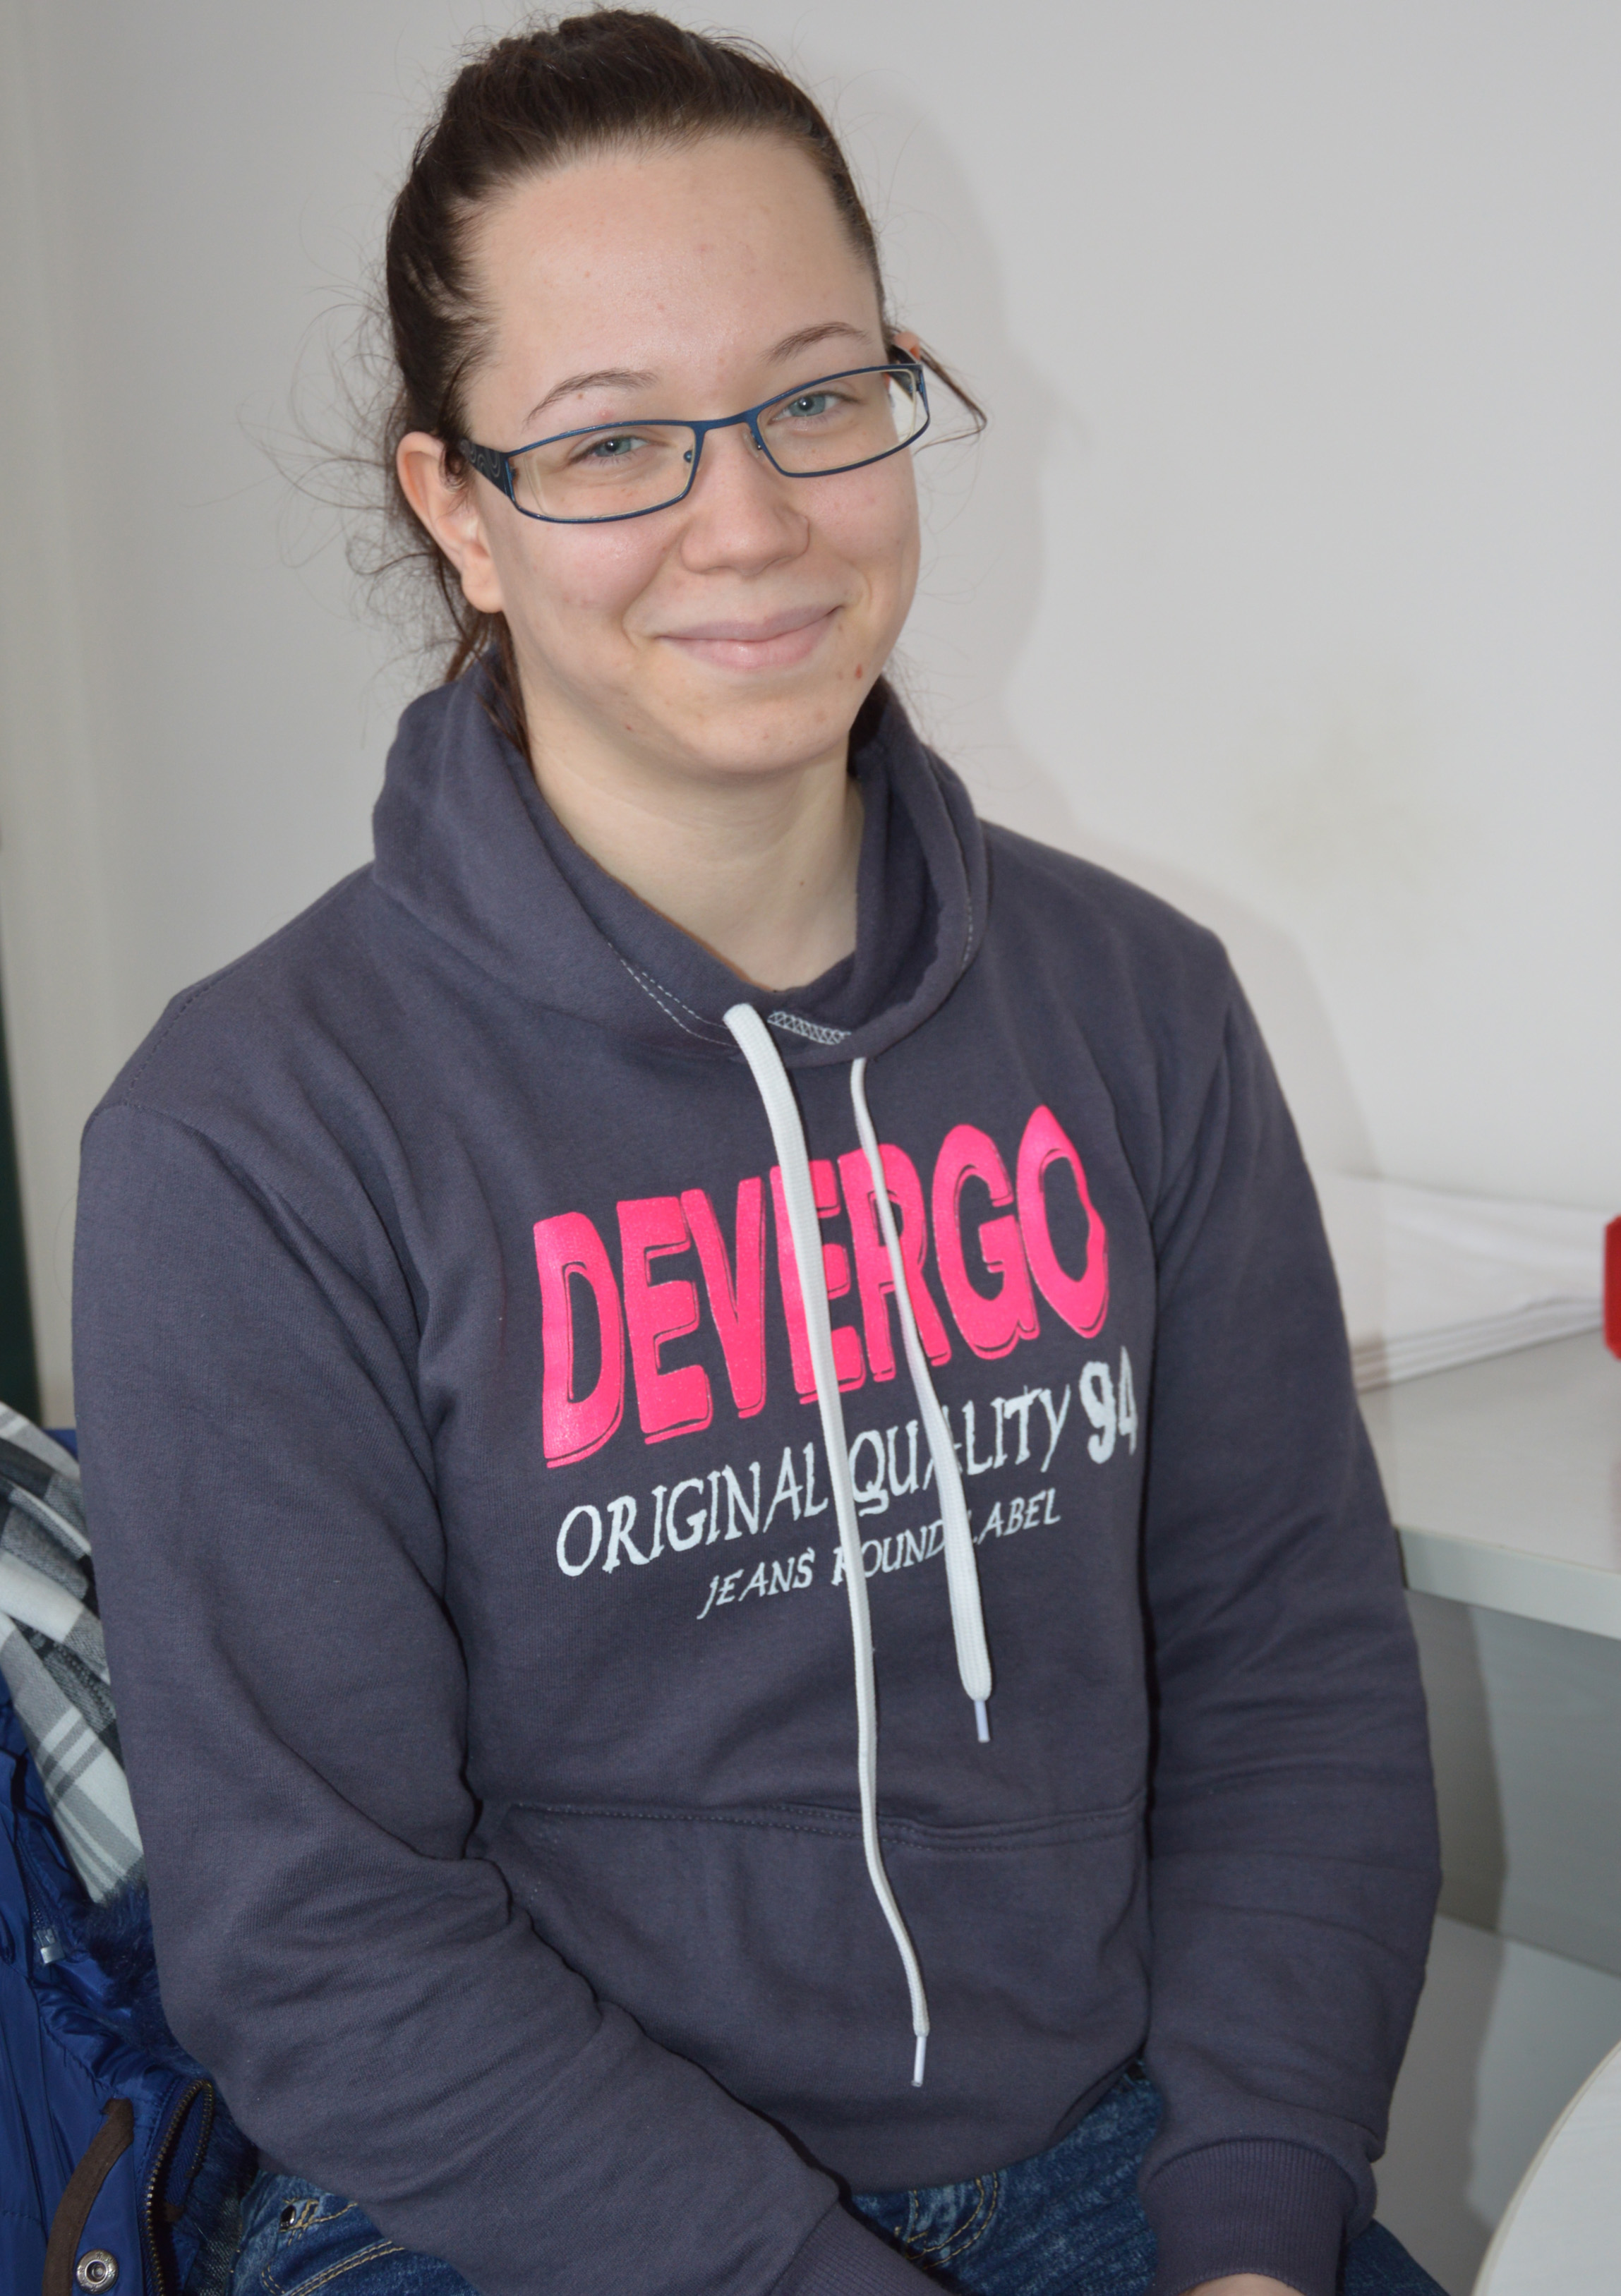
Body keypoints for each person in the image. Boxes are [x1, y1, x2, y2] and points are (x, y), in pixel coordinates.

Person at [71, 14, 1445, 2296]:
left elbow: (1285, 1669)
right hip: (507, 2212)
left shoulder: (1139, 1008)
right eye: (610, 441)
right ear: (458, 512)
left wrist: (1248, 2224)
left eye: (815, 399)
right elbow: (319, 1933)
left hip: (1117, 2158)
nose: (748, 520)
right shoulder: (248, 1137)